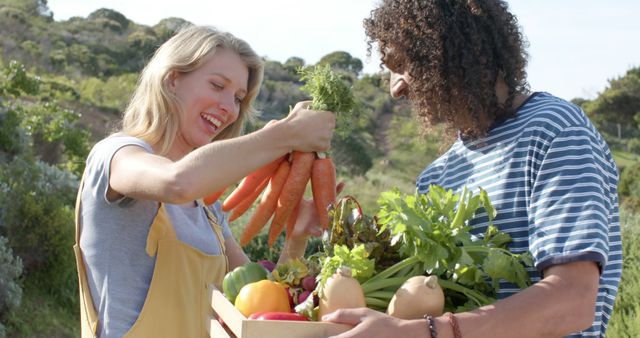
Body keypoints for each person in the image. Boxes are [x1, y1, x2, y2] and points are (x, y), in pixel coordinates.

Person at [323, 1, 622, 338]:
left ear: (442, 47)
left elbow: (573, 300)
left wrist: (426, 333)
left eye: (401, 64)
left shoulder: (554, 131)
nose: (396, 88)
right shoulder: (436, 176)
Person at [73, 25, 336, 338]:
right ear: (172, 79)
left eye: (238, 98)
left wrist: (297, 237)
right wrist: (286, 135)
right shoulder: (114, 155)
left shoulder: (207, 209)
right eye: (217, 85)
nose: (229, 107)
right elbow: (177, 182)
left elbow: (256, 299)